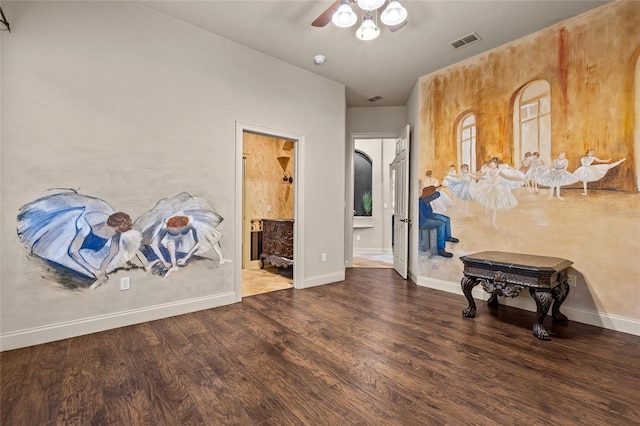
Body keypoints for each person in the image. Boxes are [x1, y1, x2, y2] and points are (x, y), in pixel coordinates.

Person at [17, 190, 141, 288]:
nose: (116, 234)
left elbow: (111, 253)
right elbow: (73, 252)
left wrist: (101, 271)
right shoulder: (86, 226)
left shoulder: (116, 232)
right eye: (116, 231)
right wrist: (94, 271)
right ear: (112, 225)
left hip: (88, 251)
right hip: (72, 245)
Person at [135, 192, 232, 278]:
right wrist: (164, 261)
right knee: (168, 243)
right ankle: (173, 265)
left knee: (211, 235)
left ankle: (221, 258)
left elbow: (198, 242)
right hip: (171, 237)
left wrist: (186, 257)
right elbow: (154, 244)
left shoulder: (192, 223)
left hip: (189, 228)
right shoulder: (165, 226)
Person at [470, 159, 521, 228]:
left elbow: (508, 177)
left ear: (496, 164)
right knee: (491, 205)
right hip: (488, 188)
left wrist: (519, 179)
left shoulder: (498, 171)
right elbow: (480, 174)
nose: (491, 165)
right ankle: (492, 221)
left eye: (493, 163)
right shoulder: (487, 170)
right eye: (490, 163)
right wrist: (471, 173)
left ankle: (493, 222)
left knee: (494, 206)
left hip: (496, 189)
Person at [418, 186, 459, 258]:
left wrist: (432, 189)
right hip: (422, 221)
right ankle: (441, 249)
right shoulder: (423, 199)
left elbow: (434, 196)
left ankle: (447, 237)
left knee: (446, 219)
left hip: (428, 216)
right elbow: (437, 194)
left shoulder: (424, 198)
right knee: (441, 224)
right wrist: (434, 189)